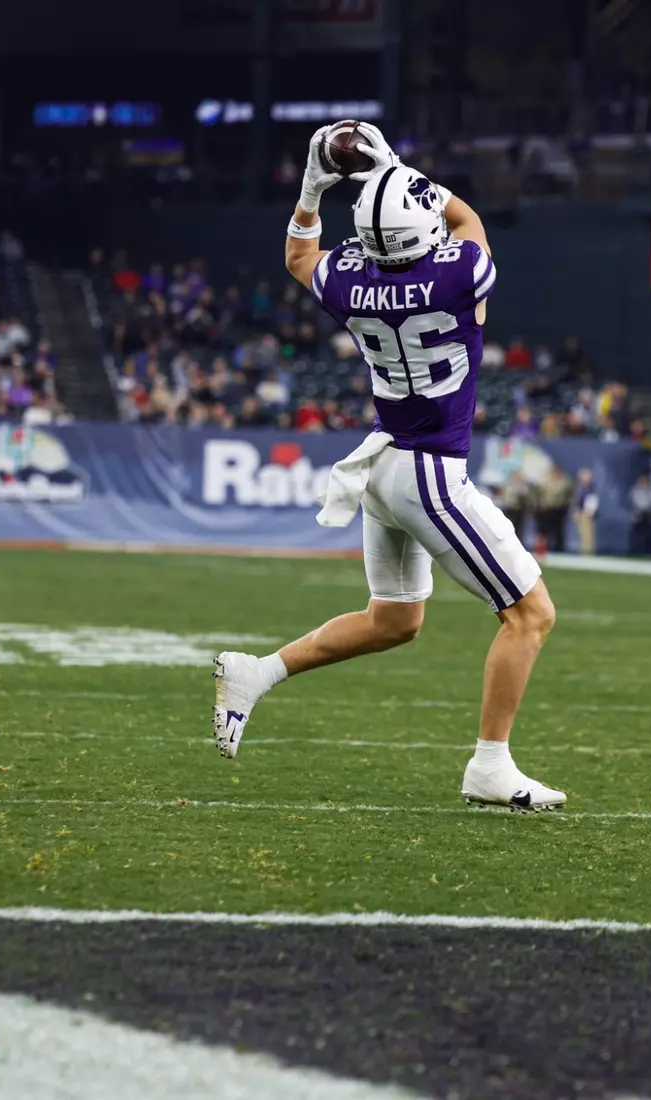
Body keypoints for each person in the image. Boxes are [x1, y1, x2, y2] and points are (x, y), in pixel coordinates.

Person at [211, 124, 564, 811]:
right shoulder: (458, 271)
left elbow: (299, 254)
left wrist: (316, 184)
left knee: (395, 621)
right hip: (430, 472)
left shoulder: (349, 281)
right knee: (530, 615)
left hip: (382, 464)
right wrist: (397, 172)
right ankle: (490, 766)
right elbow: (467, 219)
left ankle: (258, 672)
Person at [628, 474, 651, 556]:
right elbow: (634, 502)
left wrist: (646, 509)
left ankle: (650, 551)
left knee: (650, 535)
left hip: (649, 515)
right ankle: (636, 550)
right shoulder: (635, 491)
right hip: (638, 515)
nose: (644, 484)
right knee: (637, 534)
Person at [571, 467, 599, 555]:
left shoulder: (590, 488)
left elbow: (592, 500)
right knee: (582, 532)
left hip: (587, 512)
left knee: (588, 532)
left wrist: (590, 511)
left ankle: (588, 550)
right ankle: (584, 549)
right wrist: (575, 510)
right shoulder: (580, 487)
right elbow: (576, 500)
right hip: (581, 511)